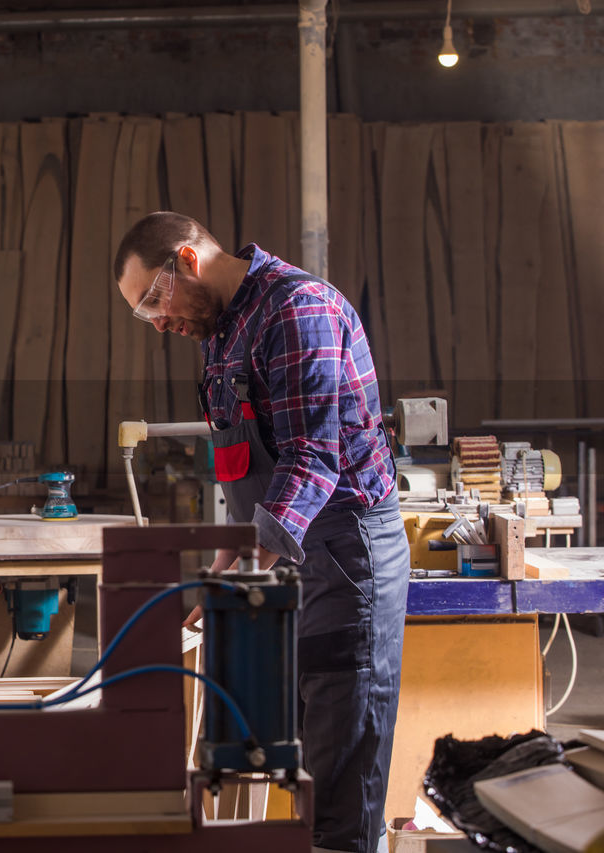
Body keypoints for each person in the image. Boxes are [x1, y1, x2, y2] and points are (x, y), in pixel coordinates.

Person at [114, 212, 410, 853]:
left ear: (187, 260)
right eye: (145, 314)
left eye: (153, 302)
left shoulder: (296, 309)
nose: (160, 323)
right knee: (300, 746)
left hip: (345, 550)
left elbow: (311, 458)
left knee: (341, 766)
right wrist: (229, 556)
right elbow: (243, 461)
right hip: (292, 551)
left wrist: (251, 556)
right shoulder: (219, 331)